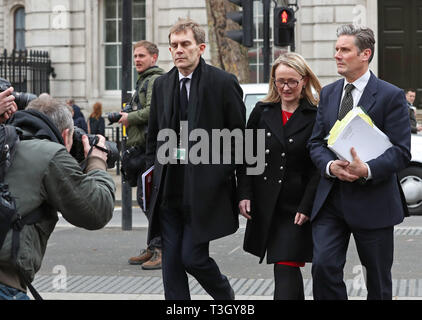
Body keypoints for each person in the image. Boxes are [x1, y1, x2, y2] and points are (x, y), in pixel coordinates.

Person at [308, 24, 411, 300]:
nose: (337, 55)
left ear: (365, 54)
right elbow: (316, 143)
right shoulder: (328, 93)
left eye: (344, 50)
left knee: (377, 281)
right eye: (336, 49)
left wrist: (366, 169)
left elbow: (401, 151)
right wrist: (331, 167)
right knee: (324, 267)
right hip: (332, 199)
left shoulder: (391, 96)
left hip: (374, 201)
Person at [145, 19, 245, 300]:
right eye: (174, 45)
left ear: (200, 48)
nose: (179, 50)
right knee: (171, 263)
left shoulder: (223, 83)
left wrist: (238, 187)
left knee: (192, 258)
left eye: (185, 44)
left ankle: (226, 297)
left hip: (205, 192)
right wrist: (150, 179)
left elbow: (240, 140)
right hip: (168, 191)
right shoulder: (162, 85)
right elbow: (154, 138)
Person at [0, 96, 115, 300]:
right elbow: (98, 210)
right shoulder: (50, 155)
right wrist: (97, 160)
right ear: (65, 134)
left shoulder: (6, 143)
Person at [238, 52, 321, 300]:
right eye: (280, 81)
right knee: (283, 267)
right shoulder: (262, 112)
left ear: (304, 81)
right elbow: (247, 158)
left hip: (298, 207)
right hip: (268, 206)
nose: (285, 87)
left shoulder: (316, 115)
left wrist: (307, 206)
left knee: (286, 266)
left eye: (292, 81)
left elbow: (318, 167)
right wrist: (244, 193)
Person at [119, 40, 165, 270]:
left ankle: (161, 249)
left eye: (142, 56)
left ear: (154, 58)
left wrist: (129, 118)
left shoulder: (155, 79)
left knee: (149, 199)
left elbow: (152, 111)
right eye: (135, 56)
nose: (137, 60)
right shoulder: (145, 80)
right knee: (146, 198)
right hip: (145, 148)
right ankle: (154, 245)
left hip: (154, 148)